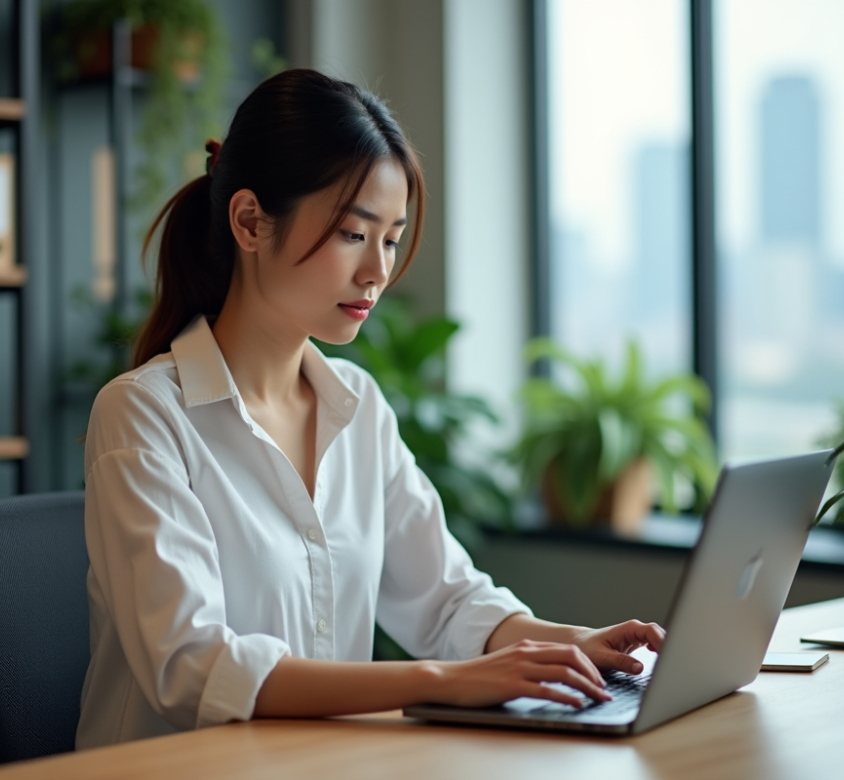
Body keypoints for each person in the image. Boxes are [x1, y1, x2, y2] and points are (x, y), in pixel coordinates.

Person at [76, 68, 664, 749]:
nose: (378, 272)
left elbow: (447, 601)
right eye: (355, 235)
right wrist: (437, 682)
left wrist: (575, 645)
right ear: (249, 222)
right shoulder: (143, 416)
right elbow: (193, 668)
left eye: (390, 239)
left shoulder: (359, 411)